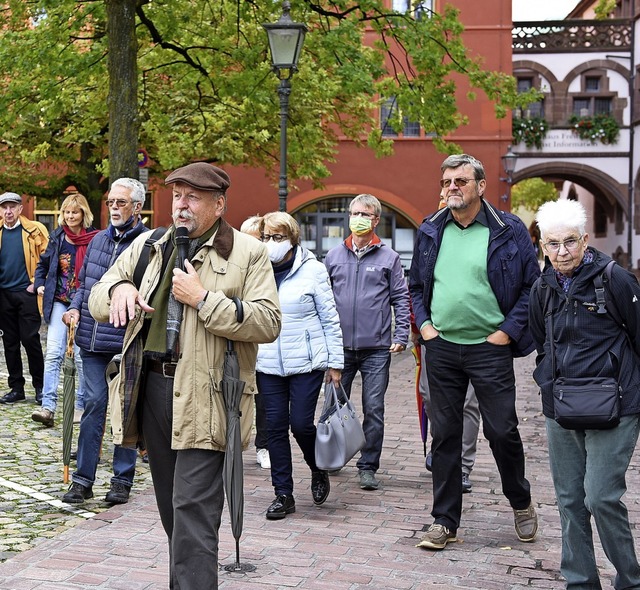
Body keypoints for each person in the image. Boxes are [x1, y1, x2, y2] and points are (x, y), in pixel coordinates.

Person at [88, 162, 281, 590]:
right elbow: (98, 295)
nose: (181, 205)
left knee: (193, 507)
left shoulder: (246, 253)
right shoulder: (150, 245)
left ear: (219, 204)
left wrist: (204, 300)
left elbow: (268, 322)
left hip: (208, 395)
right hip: (151, 386)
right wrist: (119, 290)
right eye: (177, 195)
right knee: (172, 509)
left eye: (193, 197)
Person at [409, 153, 540, 551]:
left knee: (502, 431)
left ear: (481, 187)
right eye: (447, 181)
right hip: (443, 347)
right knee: (445, 435)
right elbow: (415, 286)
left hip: (489, 347)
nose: (452, 188)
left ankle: (520, 501)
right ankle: (444, 520)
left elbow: (531, 287)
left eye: (460, 181)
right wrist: (426, 327)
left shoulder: (508, 228)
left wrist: (506, 333)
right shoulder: (431, 228)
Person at [529, 199, 640, 589]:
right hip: (562, 406)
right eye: (553, 243)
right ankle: (581, 581)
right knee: (570, 501)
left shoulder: (616, 280)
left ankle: (630, 580)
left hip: (617, 403)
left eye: (570, 242)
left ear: (586, 240)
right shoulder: (541, 288)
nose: (562, 252)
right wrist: (548, 380)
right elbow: (540, 342)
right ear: (543, 246)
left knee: (601, 497)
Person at [61, 178, 148, 506]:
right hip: (91, 341)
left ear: (137, 207)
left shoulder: (148, 244)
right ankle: (83, 480)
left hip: (126, 341)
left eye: (121, 203)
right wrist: (73, 308)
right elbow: (83, 285)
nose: (113, 208)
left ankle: (121, 480)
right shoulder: (97, 240)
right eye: (111, 202)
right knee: (94, 405)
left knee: (125, 409)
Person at [256, 211, 343, 519]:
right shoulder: (257, 270)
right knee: (276, 427)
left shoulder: (313, 270)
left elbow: (330, 318)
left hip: (306, 361)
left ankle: (318, 468)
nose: (270, 243)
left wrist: (335, 362)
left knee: (301, 424)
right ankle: (283, 493)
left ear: (292, 239)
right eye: (266, 237)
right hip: (267, 362)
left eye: (277, 237)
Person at [324, 193, 410, 491]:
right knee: (332, 406)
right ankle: (332, 457)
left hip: (376, 349)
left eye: (365, 213)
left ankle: (367, 466)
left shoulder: (389, 258)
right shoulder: (334, 256)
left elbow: (400, 298)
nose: (358, 218)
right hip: (339, 349)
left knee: (373, 408)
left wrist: (401, 336)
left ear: (375, 220)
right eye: (354, 213)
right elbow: (322, 302)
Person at [31, 193, 99, 427]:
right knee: (53, 354)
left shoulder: (95, 238)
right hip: (60, 300)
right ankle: (48, 407)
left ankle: (80, 406)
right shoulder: (57, 237)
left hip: (84, 303)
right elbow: (43, 265)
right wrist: (40, 284)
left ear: (83, 214)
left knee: (80, 357)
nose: (70, 216)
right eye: (67, 212)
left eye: (74, 212)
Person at [0, 192, 48, 404]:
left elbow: (48, 258)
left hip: (26, 292)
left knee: (30, 340)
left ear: (20, 209)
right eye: (4, 208)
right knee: (9, 342)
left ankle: (40, 387)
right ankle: (16, 388)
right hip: (3, 294)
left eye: (12, 207)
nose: (8, 211)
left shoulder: (36, 230)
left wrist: (37, 283)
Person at [239, 214, 271, 470]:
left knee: (264, 401)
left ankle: (263, 445)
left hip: (269, 346)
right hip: (244, 346)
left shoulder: (271, 268)